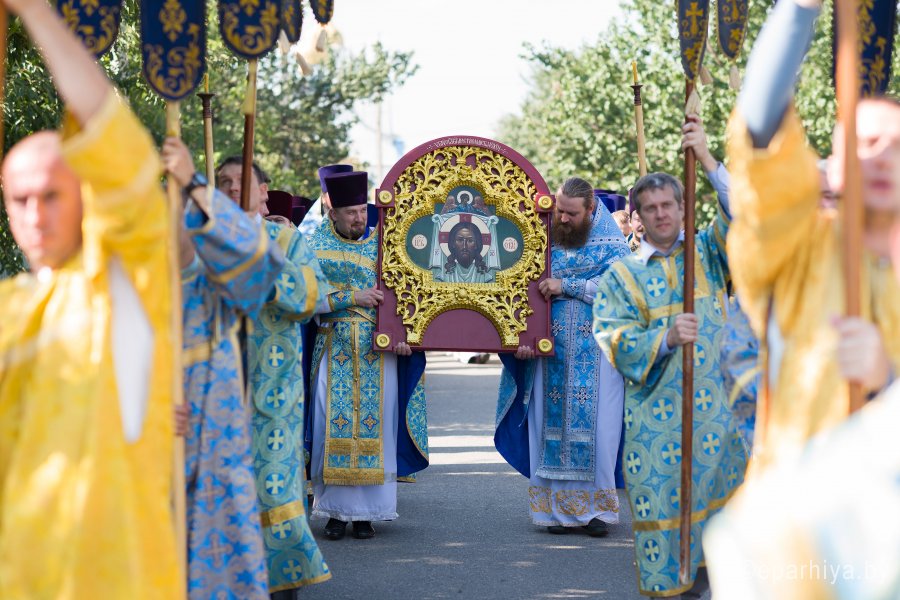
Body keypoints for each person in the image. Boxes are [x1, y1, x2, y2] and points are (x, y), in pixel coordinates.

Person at [0, 1, 180, 596]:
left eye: (52, 195)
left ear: (88, 195)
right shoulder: (10, 310)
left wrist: (32, 10)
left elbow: (112, 139)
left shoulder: (124, 283)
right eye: (20, 199)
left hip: (117, 576)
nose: (35, 215)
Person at [724, 0, 900, 476]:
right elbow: (761, 132)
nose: (881, 157)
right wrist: (799, 9)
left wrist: (887, 379)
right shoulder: (797, 246)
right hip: (800, 504)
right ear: (833, 166)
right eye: (866, 143)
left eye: (897, 146)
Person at [592, 118, 748, 598]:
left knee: (725, 545)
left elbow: (746, 212)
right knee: (670, 552)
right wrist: (664, 338)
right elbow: (612, 338)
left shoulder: (709, 253)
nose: (661, 214)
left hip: (717, 424)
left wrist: (707, 158)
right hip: (656, 433)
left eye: (668, 205)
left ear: (683, 208)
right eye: (651, 208)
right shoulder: (621, 276)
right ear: (637, 216)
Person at [162, 141, 281, 599]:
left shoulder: (216, 282)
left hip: (218, 439)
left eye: (183, 215)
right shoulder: (129, 283)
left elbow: (262, 265)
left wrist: (194, 183)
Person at [213, 158, 334, 595]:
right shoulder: (199, 241)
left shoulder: (285, 240)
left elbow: (311, 296)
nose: (231, 187)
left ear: (263, 191)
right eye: (223, 181)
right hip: (213, 394)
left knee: (273, 493)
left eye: (241, 180)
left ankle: (281, 587)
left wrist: (256, 259)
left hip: (272, 393)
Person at [495, 177, 630, 537]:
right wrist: (521, 338)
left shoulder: (612, 245)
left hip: (598, 355)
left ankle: (596, 512)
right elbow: (518, 285)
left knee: (599, 430)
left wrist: (567, 286)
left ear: (591, 209)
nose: (564, 219)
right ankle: (554, 511)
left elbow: (624, 290)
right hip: (548, 353)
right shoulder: (542, 236)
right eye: (560, 211)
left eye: (572, 213)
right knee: (548, 428)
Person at [307, 170, 429, 540]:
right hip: (333, 347)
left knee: (379, 427)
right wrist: (352, 297)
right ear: (333, 212)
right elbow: (305, 299)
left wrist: (406, 337)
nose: (360, 218)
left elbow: (409, 293)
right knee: (330, 426)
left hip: (380, 353)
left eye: (363, 210)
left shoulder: (385, 245)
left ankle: (368, 515)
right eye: (351, 213)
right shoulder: (312, 246)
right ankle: (334, 513)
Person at [298, 164, 353, 237]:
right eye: (334, 194)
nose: (341, 199)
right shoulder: (308, 229)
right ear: (323, 198)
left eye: (346, 194)